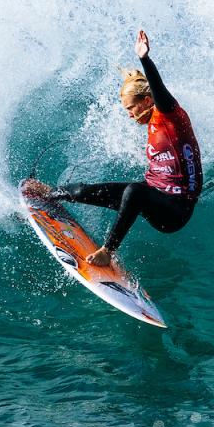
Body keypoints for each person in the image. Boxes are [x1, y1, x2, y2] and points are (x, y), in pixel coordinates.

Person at [25, 29, 202, 266]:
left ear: (147, 101)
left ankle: (108, 252)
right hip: (154, 194)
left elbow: (158, 88)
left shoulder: (171, 116)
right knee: (83, 192)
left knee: (134, 191)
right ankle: (51, 193)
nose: (129, 115)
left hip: (175, 211)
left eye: (131, 108)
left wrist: (144, 59)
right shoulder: (151, 122)